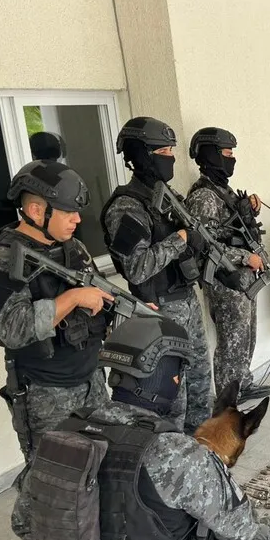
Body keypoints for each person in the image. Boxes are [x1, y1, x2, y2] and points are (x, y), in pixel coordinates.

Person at [29, 316, 270, 540]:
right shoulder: (177, 453)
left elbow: (24, 522)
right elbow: (242, 531)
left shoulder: (62, 434)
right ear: (168, 377)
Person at [0, 159, 112, 540]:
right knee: (51, 474)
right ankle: (33, 525)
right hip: (45, 390)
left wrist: (120, 304)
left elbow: (94, 290)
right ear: (36, 210)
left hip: (89, 376)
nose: (77, 220)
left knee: (96, 462)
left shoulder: (73, 247)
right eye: (68, 212)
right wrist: (72, 298)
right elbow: (10, 330)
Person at [100, 116, 213, 433]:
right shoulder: (127, 206)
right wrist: (179, 240)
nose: (171, 157)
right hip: (158, 310)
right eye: (163, 150)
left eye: (172, 150)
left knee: (202, 386)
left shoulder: (169, 196)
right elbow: (136, 268)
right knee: (170, 399)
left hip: (186, 300)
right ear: (141, 155)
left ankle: (199, 456)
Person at [184, 127, 270, 402]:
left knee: (246, 333)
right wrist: (246, 258)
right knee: (231, 341)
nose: (231, 159)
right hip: (225, 279)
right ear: (211, 155)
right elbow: (205, 244)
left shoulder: (221, 189)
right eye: (226, 154)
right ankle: (226, 396)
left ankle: (243, 383)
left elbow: (230, 228)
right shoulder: (203, 197)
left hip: (242, 277)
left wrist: (249, 208)